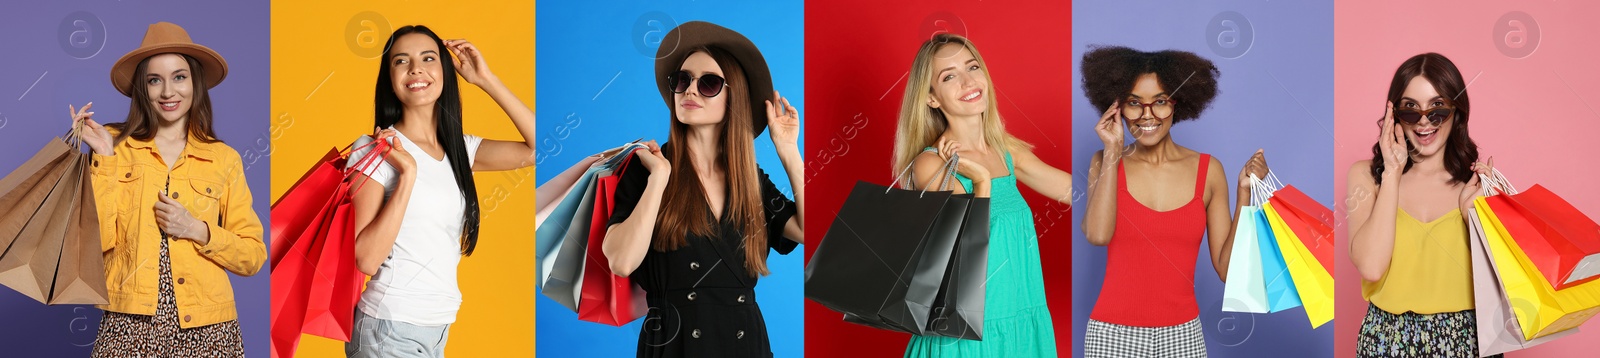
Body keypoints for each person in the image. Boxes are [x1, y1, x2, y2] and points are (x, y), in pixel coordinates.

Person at [600, 21, 805, 358]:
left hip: (746, 345)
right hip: (674, 344)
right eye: (682, 80)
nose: (690, 90)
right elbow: (621, 262)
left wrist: (788, 151)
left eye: (708, 83)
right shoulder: (648, 167)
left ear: (733, 97)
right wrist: (659, 179)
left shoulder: (749, 178)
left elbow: (810, 230)